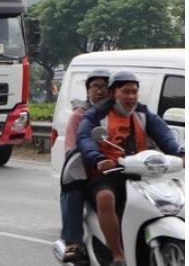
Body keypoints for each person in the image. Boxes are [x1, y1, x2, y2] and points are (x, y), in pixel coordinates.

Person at [77, 70, 185, 266]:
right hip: (108, 174)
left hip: (140, 173)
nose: (131, 97)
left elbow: (164, 135)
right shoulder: (97, 115)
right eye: (126, 92)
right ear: (113, 93)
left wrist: (180, 153)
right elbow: (85, 138)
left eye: (134, 92)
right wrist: (98, 159)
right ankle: (118, 255)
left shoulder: (143, 114)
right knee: (105, 197)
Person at [58, 69, 111, 264]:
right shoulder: (80, 116)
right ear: (87, 91)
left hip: (116, 169)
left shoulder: (118, 113)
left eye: (104, 87)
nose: (99, 91)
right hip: (88, 171)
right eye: (95, 87)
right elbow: (72, 150)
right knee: (73, 187)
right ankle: (73, 242)